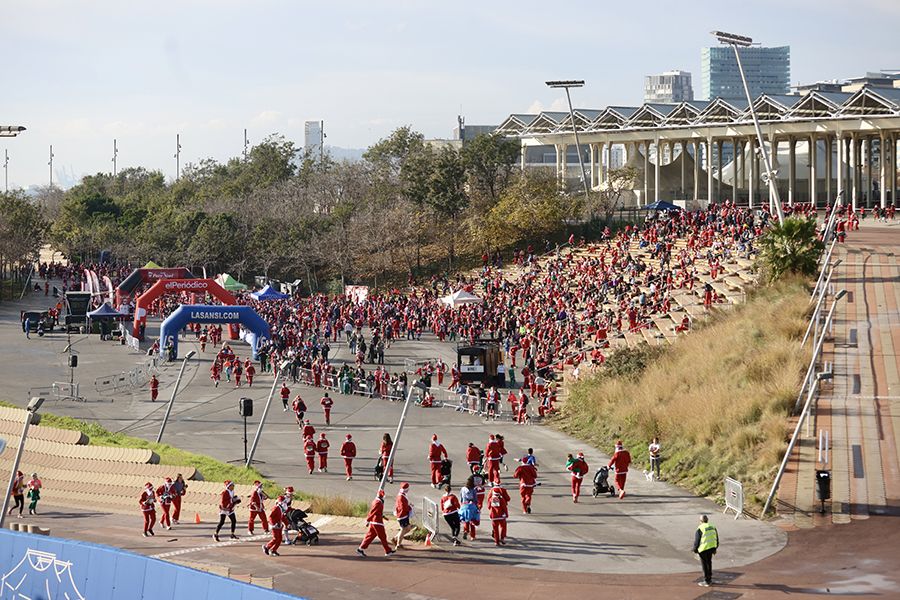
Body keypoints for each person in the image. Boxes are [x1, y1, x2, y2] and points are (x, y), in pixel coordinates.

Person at [356, 489, 395, 557]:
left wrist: (382, 516)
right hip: (377, 523)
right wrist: (368, 520)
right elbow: (373, 512)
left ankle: (360, 549)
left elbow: (375, 512)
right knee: (383, 537)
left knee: (370, 536)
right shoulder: (378, 502)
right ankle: (388, 551)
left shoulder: (376, 501)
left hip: (374, 522)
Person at [693, 515, 719, 587]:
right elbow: (716, 537)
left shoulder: (700, 528)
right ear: (707, 520)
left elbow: (697, 541)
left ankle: (706, 581)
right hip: (711, 547)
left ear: (700, 521)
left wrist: (695, 550)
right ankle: (709, 578)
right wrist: (715, 547)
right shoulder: (712, 527)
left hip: (703, 549)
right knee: (709, 562)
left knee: (704, 564)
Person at [393, 482, 415, 550]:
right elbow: (403, 507)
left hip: (402, 515)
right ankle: (398, 544)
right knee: (403, 529)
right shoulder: (401, 497)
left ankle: (396, 538)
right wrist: (410, 507)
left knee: (408, 528)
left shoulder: (401, 494)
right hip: (402, 515)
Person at [459, 475, 480, 541]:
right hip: (471, 506)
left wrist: (462, 504)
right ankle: (472, 536)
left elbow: (461, 497)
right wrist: (477, 506)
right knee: (472, 521)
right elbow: (475, 499)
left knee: (466, 520)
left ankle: (466, 530)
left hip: (464, 506)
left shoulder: (463, 489)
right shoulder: (473, 490)